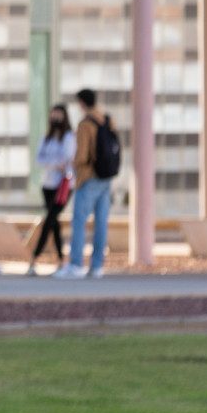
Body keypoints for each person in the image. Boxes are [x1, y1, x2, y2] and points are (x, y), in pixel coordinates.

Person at [63, 88, 120, 281]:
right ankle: (97, 266)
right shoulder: (108, 120)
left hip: (89, 177)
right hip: (106, 177)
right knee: (101, 222)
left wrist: (72, 164)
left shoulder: (85, 124)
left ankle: (76, 264)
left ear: (81, 103)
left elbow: (82, 155)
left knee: (79, 221)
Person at [29, 104, 75, 275]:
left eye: (59, 115)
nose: (55, 118)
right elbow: (39, 159)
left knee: (49, 220)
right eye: (53, 115)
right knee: (54, 222)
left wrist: (52, 163)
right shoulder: (46, 137)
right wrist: (55, 163)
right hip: (47, 185)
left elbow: (67, 159)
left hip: (63, 186)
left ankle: (34, 258)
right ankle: (61, 261)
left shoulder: (69, 137)